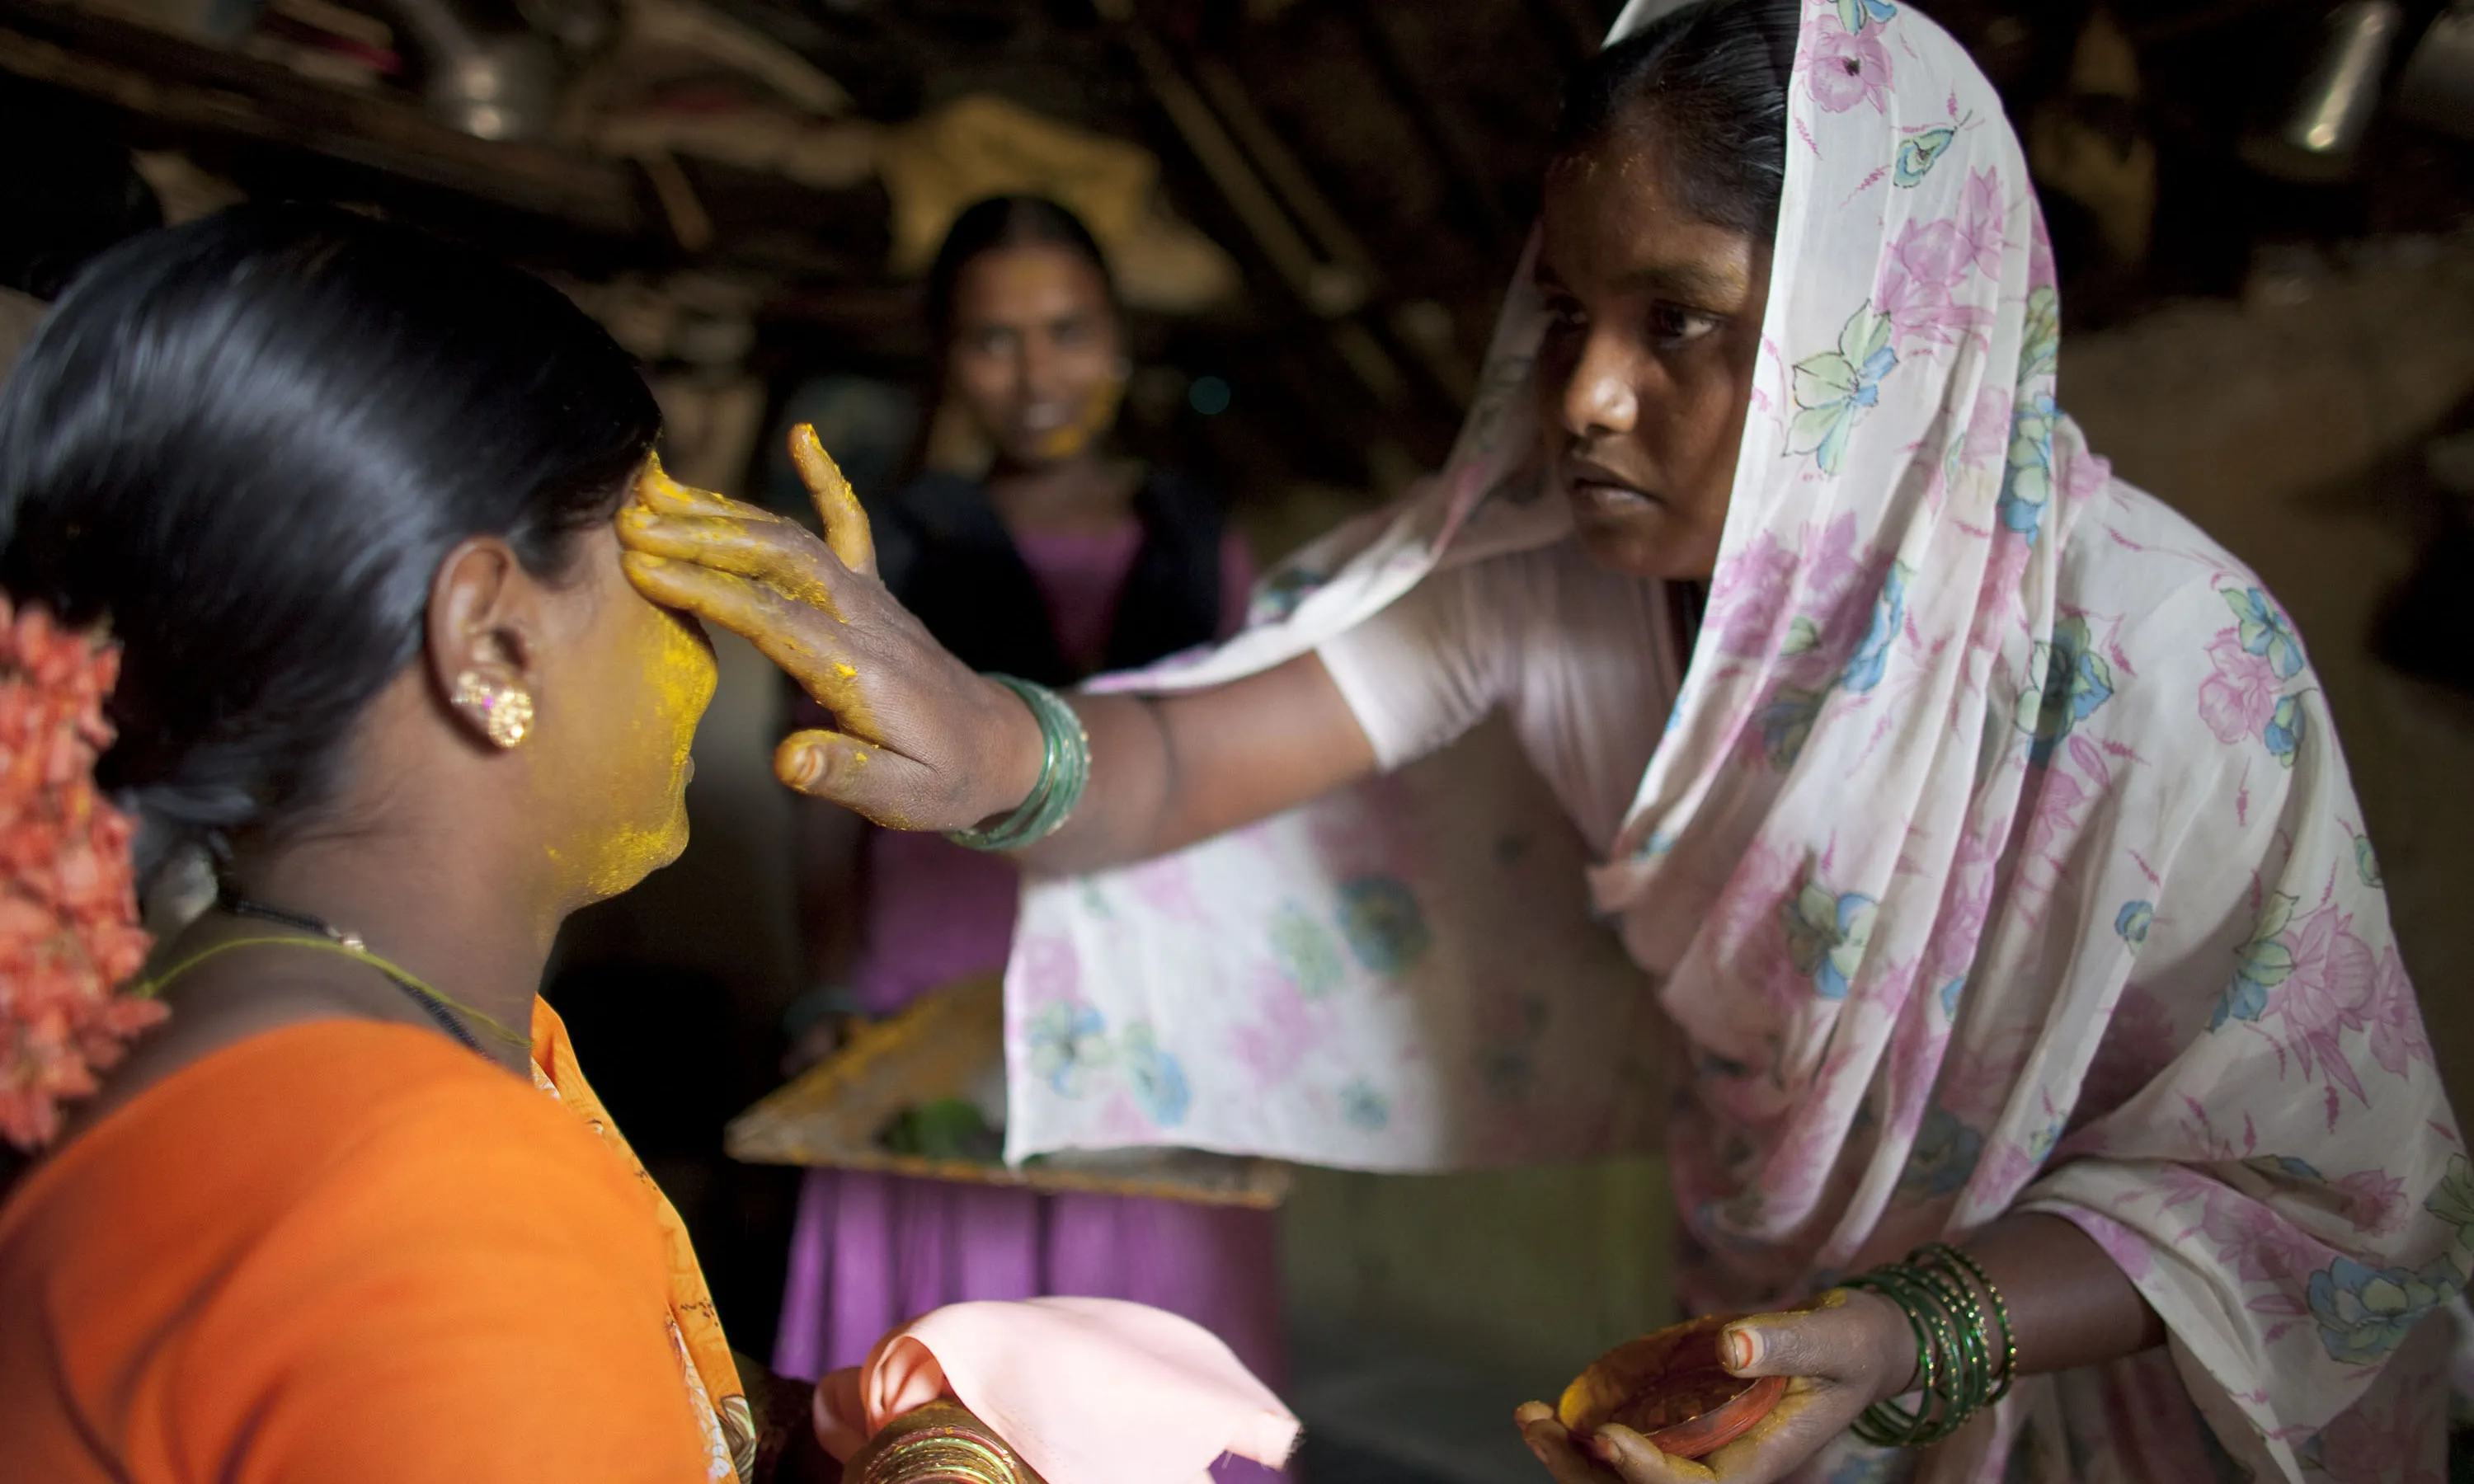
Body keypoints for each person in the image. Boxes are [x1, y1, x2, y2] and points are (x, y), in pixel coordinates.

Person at [621, 0, 2465, 1478]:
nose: (1586, 392)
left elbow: (2299, 1188)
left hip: (2107, 1373)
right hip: (1762, 1331)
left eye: (1685, 325)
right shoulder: (1550, 590)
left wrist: (1921, 1334)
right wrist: (996, 747)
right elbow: (1183, 763)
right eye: (1574, 313)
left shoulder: (2158, 659)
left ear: (1884, 336)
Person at [0, 205, 828, 1483]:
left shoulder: (266, 1012)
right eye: (661, 562)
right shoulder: (430, 1192)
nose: (712, 637)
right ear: (490, 638)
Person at [769, 196, 1282, 1468]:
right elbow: (824, 802)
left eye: (1066, 331)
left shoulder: (1204, 544)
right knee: (933, 1389)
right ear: (949, 357)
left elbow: (1252, 791)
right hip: (928, 1004)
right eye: (996, 340)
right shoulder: (881, 551)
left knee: (1140, 1381)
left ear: (1117, 343)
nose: (1037, 373)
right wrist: (825, 988)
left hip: (1144, 1016)